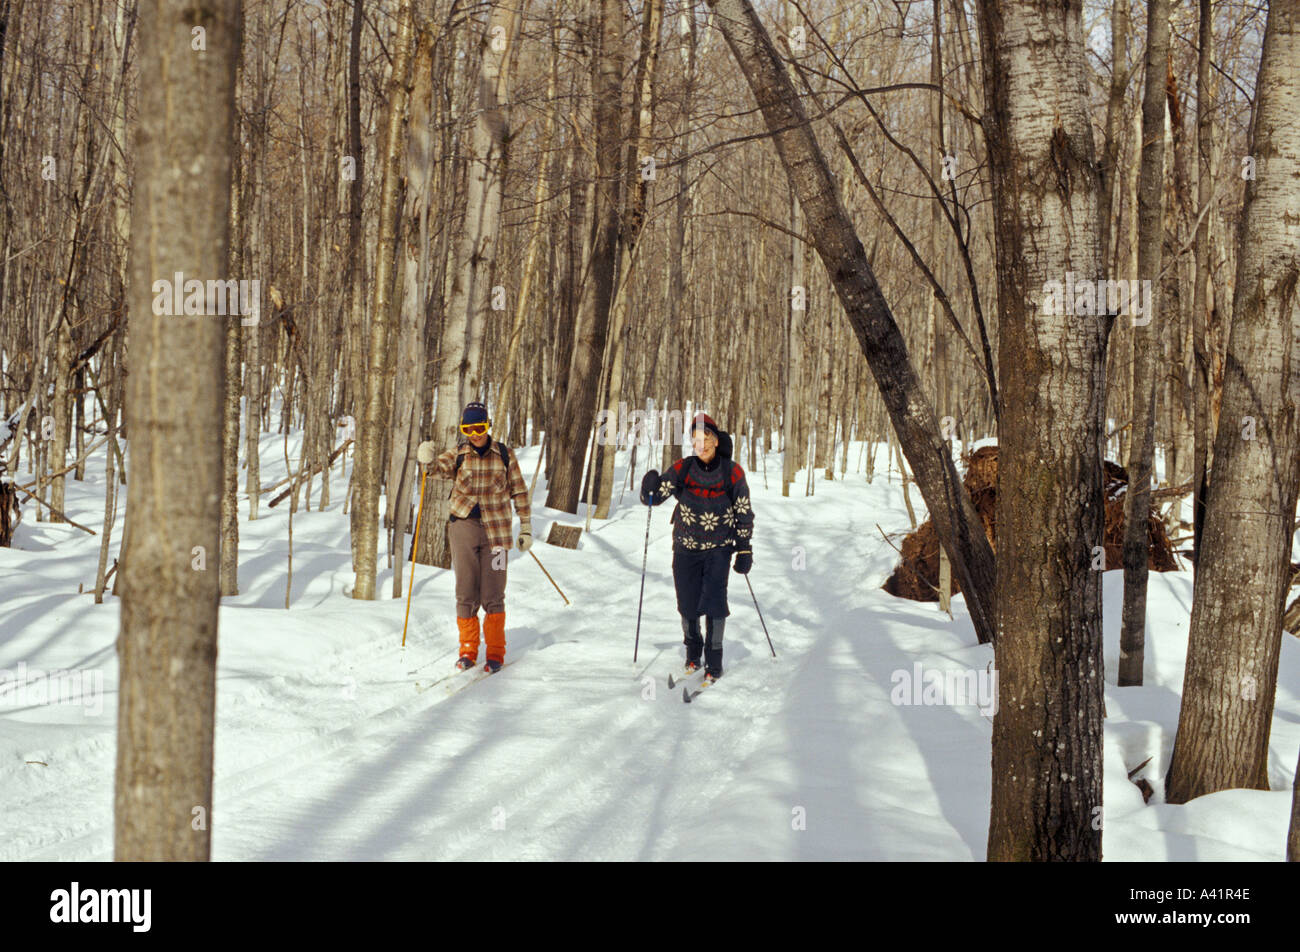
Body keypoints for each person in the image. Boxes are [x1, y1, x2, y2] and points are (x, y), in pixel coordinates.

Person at [417, 401, 531, 673]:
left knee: (494, 593)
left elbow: (520, 492)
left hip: (499, 534)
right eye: (469, 428)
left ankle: (495, 652)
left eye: (480, 427)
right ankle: (468, 650)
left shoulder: (504, 454)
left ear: (488, 425)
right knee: (465, 591)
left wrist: (525, 526)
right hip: (463, 528)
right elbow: (434, 470)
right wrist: (426, 459)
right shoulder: (458, 455)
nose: (475, 433)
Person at [640, 412, 753, 683]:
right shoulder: (683, 468)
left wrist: (744, 547)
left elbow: (743, 511)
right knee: (687, 602)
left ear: (715, 440)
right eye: (694, 440)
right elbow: (658, 495)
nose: (699, 445)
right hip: (685, 546)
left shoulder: (732, 471)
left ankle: (714, 663)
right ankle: (693, 654)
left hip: (719, 547)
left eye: (704, 439)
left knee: (714, 602)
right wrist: (649, 491)